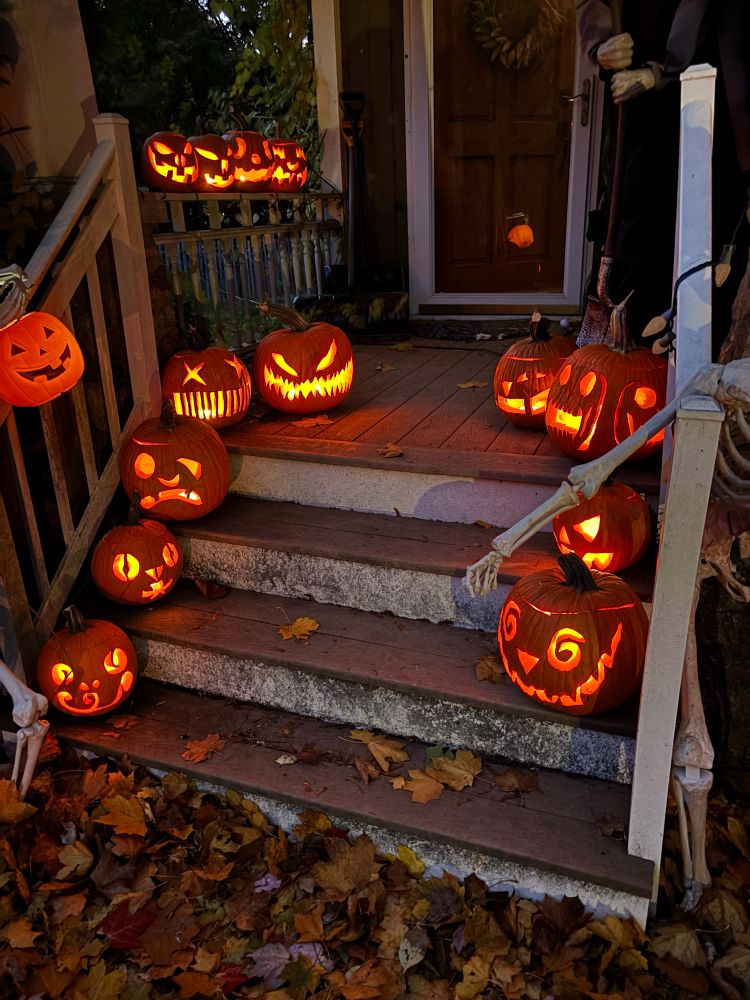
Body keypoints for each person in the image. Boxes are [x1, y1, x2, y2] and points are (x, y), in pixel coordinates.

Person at [577, 0, 750, 352]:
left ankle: (692, 353)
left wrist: (663, 74)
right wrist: (600, 43)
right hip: (637, 89)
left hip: (712, 95)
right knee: (634, 214)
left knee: (708, 227)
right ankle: (628, 339)